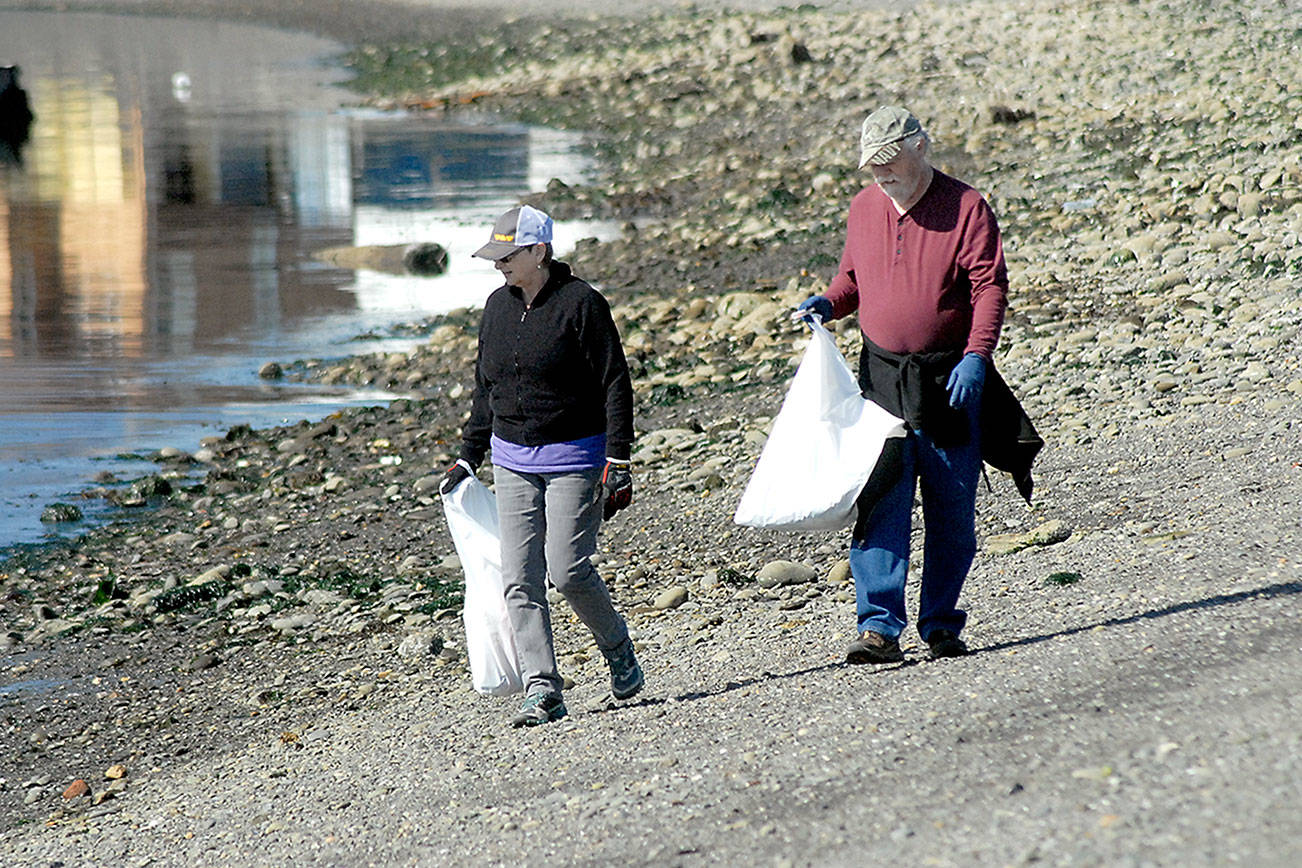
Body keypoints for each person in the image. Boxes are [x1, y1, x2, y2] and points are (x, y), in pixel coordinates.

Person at [795, 106, 1029, 664]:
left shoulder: (966, 207)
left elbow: (989, 288)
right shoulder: (863, 208)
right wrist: (829, 303)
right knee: (880, 504)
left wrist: (977, 357)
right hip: (881, 380)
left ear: (920, 147)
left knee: (951, 506)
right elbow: (853, 278)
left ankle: (942, 624)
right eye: (871, 164)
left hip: (949, 379)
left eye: (889, 159)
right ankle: (878, 628)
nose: (880, 173)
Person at [441, 204, 643, 727]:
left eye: (508, 255)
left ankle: (618, 649)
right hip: (511, 460)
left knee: (567, 569)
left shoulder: (583, 305)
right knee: (519, 578)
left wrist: (619, 458)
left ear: (540, 251)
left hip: (577, 458)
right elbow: (486, 386)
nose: (498, 265)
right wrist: (469, 455)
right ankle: (543, 689)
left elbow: (614, 382)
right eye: (495, 256)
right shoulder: (497, 307)